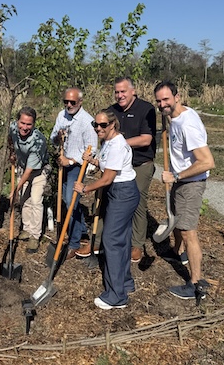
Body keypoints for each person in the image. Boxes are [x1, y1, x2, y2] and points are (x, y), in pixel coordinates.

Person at [154, 81, 215, 300]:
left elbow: (207, 162)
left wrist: (176, 176)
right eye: (159, 101)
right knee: (178, 223)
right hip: (181, 181)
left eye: (166, 100)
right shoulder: (176, 116)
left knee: (189, 232)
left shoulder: (187, 124)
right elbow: (171, 117)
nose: (162, 104)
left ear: (177, 97)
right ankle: (177, 253)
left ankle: (195, 283)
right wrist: (166, 116)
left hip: (190, 183)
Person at [74, 110, 139, 310]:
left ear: (113, 125)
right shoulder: (109, 142)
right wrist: (93, 160)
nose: (98, 128)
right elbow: (107, 165)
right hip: (120, 191)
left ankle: (117, 296)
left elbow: (107, 178)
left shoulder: (118, 145)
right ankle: (126, 283)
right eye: (96, 124)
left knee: (111, 241)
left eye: (103, 125)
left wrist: (85, 188)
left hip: (123, 193)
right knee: (122, 239)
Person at [107, 77, 156, 264]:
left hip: (140, 164)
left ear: (133, 91)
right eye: (117, 92)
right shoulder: (112, 111)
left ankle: (137, 244)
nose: (120, 96)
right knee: (110, 199)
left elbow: (145, 139)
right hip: (118, 165)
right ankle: (107, 239)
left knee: (137, 202)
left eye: (123, 92)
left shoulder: (146, 109)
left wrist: (120, 144)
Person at [49, 88, 97, 259]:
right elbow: (52, 137)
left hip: (77, 166)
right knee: (68, 200)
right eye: (66, 102)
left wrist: (70, 161)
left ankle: (74, 243)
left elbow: (91, 149)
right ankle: (82, 230)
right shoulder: (62, 115)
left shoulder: (87, 121)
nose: (69, 105)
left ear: (80, 102)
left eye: (72, 102)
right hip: (63, 164)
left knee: (70, 203)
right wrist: (57, 137)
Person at [8, 106, 50, 253]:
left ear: (34, 124)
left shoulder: (38, 142)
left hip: (38, 170)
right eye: (22, 123)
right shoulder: (13, 128)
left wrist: (15, 189)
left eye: (29, 124)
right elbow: (10, 138)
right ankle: (26, 228)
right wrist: (12, 151)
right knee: (24, 199)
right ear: (17, 121)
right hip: (22, 165)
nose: (24, 127)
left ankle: (34, 235)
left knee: (36, 200)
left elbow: (29, 171)